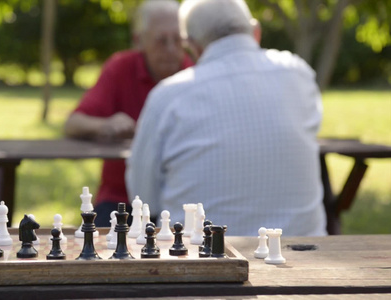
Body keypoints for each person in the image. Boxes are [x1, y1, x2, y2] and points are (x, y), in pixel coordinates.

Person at [126, 0, 327, 236]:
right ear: (256, 32)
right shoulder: (299, 74)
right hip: (304, 257)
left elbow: (143, 198)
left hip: (200, 263)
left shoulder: (168, 97)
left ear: (192, 45)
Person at [64, 0, 194, 226]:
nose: (172, 50)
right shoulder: (120, 68)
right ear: (138, 40)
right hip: (121, 199)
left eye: (178, 40)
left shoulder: (191, 72)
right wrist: (105, 124)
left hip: (177, 198)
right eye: (161, 41)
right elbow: (72, 124)